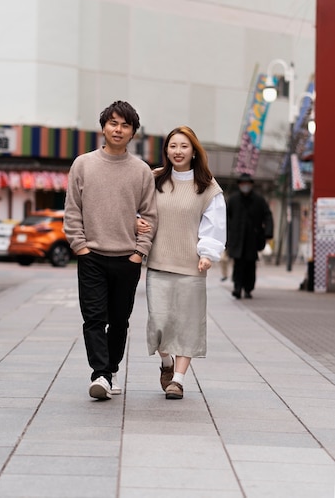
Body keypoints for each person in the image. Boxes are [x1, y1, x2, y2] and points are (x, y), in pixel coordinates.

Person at [64, 100, 158, 400]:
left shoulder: (141, 171)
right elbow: (72, 210)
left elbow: (151, 215)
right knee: (93, 318)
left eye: (125, 125)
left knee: (119, 320)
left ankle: (111, 369)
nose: (118, 129)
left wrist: (138, 253)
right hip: (91, 256)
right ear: (103, 127)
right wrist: (79, 247)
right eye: (113, 123)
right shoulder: (83, 164)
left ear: (133, 133)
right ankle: (101, 374)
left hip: (126, 259)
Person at [138, 126, 226, 400]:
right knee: (159, 321)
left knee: (188, 323)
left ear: (194, 150)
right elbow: (138, 208)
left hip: (191, 266)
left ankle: (178, 379)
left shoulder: (207, 186)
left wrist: (207, 255)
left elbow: (214, 226)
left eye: (184, 146)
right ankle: (166, 363)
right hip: (159, 263)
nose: (178, 151)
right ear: (166, 150)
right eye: (173, 146)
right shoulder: (154, 180)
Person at [227, 173, 274, 299]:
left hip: (252, 239)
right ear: (239, 185)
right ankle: (237, 288)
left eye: (247, 183)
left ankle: (248, 288)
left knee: (250, 265)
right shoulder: (233, 200)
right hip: (237, 238)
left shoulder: (259, 200)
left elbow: (267, 216)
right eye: (243, 183)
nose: (245, 186)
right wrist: (225, 237)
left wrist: (268, 233)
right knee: (238, 264)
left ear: (251, 185)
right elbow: (225, 219)